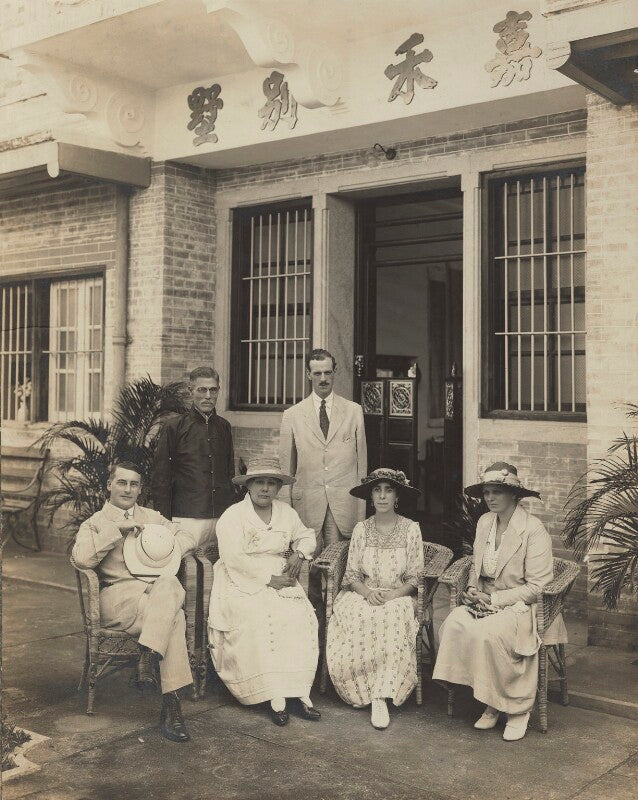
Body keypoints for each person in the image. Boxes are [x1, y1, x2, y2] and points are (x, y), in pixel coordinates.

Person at [432, 462, 566, 741]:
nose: (490, 498)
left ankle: (515, 709)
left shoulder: (533, 529)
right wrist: (471, 590)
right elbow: (476, 566)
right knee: (455, 622)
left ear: (514, 495)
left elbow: (539, 586)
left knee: (490, 633)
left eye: (497, 492)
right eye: (487, 492)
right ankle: (489, 698)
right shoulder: (484, 523)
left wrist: (494, 598)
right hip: (486, 598)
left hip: (524, 606)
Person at [71, 461, 198, 743]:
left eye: (134, 484)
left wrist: (165, 545)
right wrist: (116, 529)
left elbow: (189, 536)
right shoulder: (95, 523)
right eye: (122, 482)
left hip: (155, 601)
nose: (128, 489)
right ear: (109, 485)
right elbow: (81, 559)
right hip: (118, 600)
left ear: (140, 488)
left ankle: (155, 667)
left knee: (169, 591)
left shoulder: (152, 517)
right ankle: (169, 701)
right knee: (172, 615)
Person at [208, 457, 321, 727]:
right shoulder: (233, 516)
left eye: (272, 483)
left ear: (279, 488)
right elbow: (233, 558)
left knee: (300, 618)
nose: (265, 489)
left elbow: (307, 535)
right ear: (248, 485)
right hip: (242, 579)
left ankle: (300, 692)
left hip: (281, 575)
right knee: (260, 618)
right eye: (259, 482)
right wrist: (268, 579)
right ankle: (274, 695)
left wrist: (299, 553)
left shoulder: (286, 512)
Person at [326, 468, 424, 730]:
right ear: (370, 496)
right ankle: (362, 688)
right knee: (357, 615)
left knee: (390, 617)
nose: (382, 496)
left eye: (388, 490)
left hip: (398, 595)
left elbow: (415, 577)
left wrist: (393, 594)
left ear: (396, 496)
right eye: (377, 490)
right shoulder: (361, 529)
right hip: (364, 593)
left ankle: (381, 693)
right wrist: (368, 593)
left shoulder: (411, 529)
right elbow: (352, 575)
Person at [279, 348, 367, 610]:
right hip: (307, 506)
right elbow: (286, 471)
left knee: (339, 568)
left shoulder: (353, 411)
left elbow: (362, 468)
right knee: (308, 572)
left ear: (335, 373)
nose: (323, 378)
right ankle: (311, 626)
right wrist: (286, 514)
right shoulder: (292, 415)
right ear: (308, 375)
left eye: (328, 372)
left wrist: (360, 513)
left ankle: (336, 624)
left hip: (343, 505)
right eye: (317, 373)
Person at [152, 366, 236, 549]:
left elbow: (230, 474)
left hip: (221, 517)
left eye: (213, 390)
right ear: (191, 391)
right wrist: (165, 522)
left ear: (218, 391)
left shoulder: (224, 427)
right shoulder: (174, 427)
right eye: (202, 390)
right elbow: (161, 479)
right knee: (184, 571)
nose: (208, 396)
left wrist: (230, 515)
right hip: (187, 517)